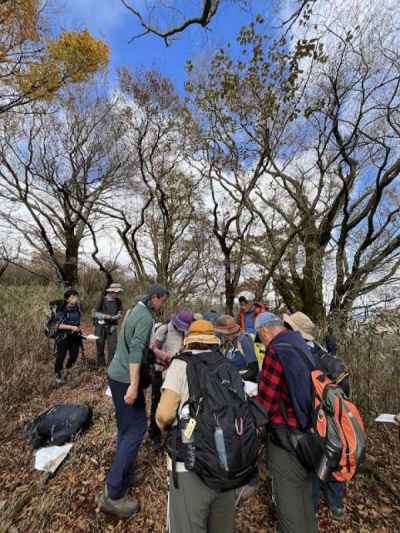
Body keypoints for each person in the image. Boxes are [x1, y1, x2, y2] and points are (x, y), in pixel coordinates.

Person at [156, 320, 236, 533]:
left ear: (188, 340)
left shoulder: (181, 365)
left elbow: (164, 415)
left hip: (189, 463)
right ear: (213, 340)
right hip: (226, 461)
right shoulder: (227, 365)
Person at [97, 284, 169, 519]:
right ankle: (114, 494)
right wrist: (134, 385)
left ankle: (124, 471)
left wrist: (157, 355)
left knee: (126, 427)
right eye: (163, 300)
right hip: (125, 378)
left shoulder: (133, 311)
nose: (163, 305)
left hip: (116, 374)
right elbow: (136, 351)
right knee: (136, 428)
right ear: (155, 298)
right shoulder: (146, 317)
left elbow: (136, 345)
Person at [255, 312, 317, 533]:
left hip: (286, 439)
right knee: (306, 500)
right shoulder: (301, 344)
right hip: (311, 436)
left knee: (288, 507)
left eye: (259, 337)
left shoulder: (276, 351)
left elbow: (265, 402)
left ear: (264, 331)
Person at [283, 311, 348, 521]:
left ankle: (310, 509)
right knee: (335, 456)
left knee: (315, 463)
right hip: (335, 418)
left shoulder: (301, 356)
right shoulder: (324, 354)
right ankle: (336, 506)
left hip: (314, 420)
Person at [148, 309, 194, 451]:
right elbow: (152, 347)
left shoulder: (186, 331)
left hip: (176, 374)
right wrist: (162, 354)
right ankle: (155, 435)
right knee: (157, 404)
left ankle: (171, 435)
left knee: (175, 405)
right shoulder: (164, 329)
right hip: (160, 371)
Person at [214, 314, 258, 382]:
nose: (219, 336)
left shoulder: (244, 340)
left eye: (221, 333)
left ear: (227, 333)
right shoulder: (227, 343)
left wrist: (234, 379)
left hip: (248, 382)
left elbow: (254, 370)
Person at [54, 289, 82, 385]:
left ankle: (68, 370)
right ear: (67, 299)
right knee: (61, 356)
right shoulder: (61, 309)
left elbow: (77, 322)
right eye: (73, 297)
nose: (75, 298)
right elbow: (58, 325)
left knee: (74, 356)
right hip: (63, 336)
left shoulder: (77, 308)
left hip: (75, 336)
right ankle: (58, 374)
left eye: (76, 296)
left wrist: (78, 330)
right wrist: (71, 327)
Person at [93, 283, 123, 367]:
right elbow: (94, 313)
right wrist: (106, 316)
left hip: (112, 327)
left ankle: (111, 367)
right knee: (100, 347)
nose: (117, 294)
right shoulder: (102, 300)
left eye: (118, 292)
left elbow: (120, 311)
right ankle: (101, 366)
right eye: (115, 292)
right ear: (111, 292)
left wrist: (118, 315)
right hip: (100, 327)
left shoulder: (118, 301)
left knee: (113, 348)